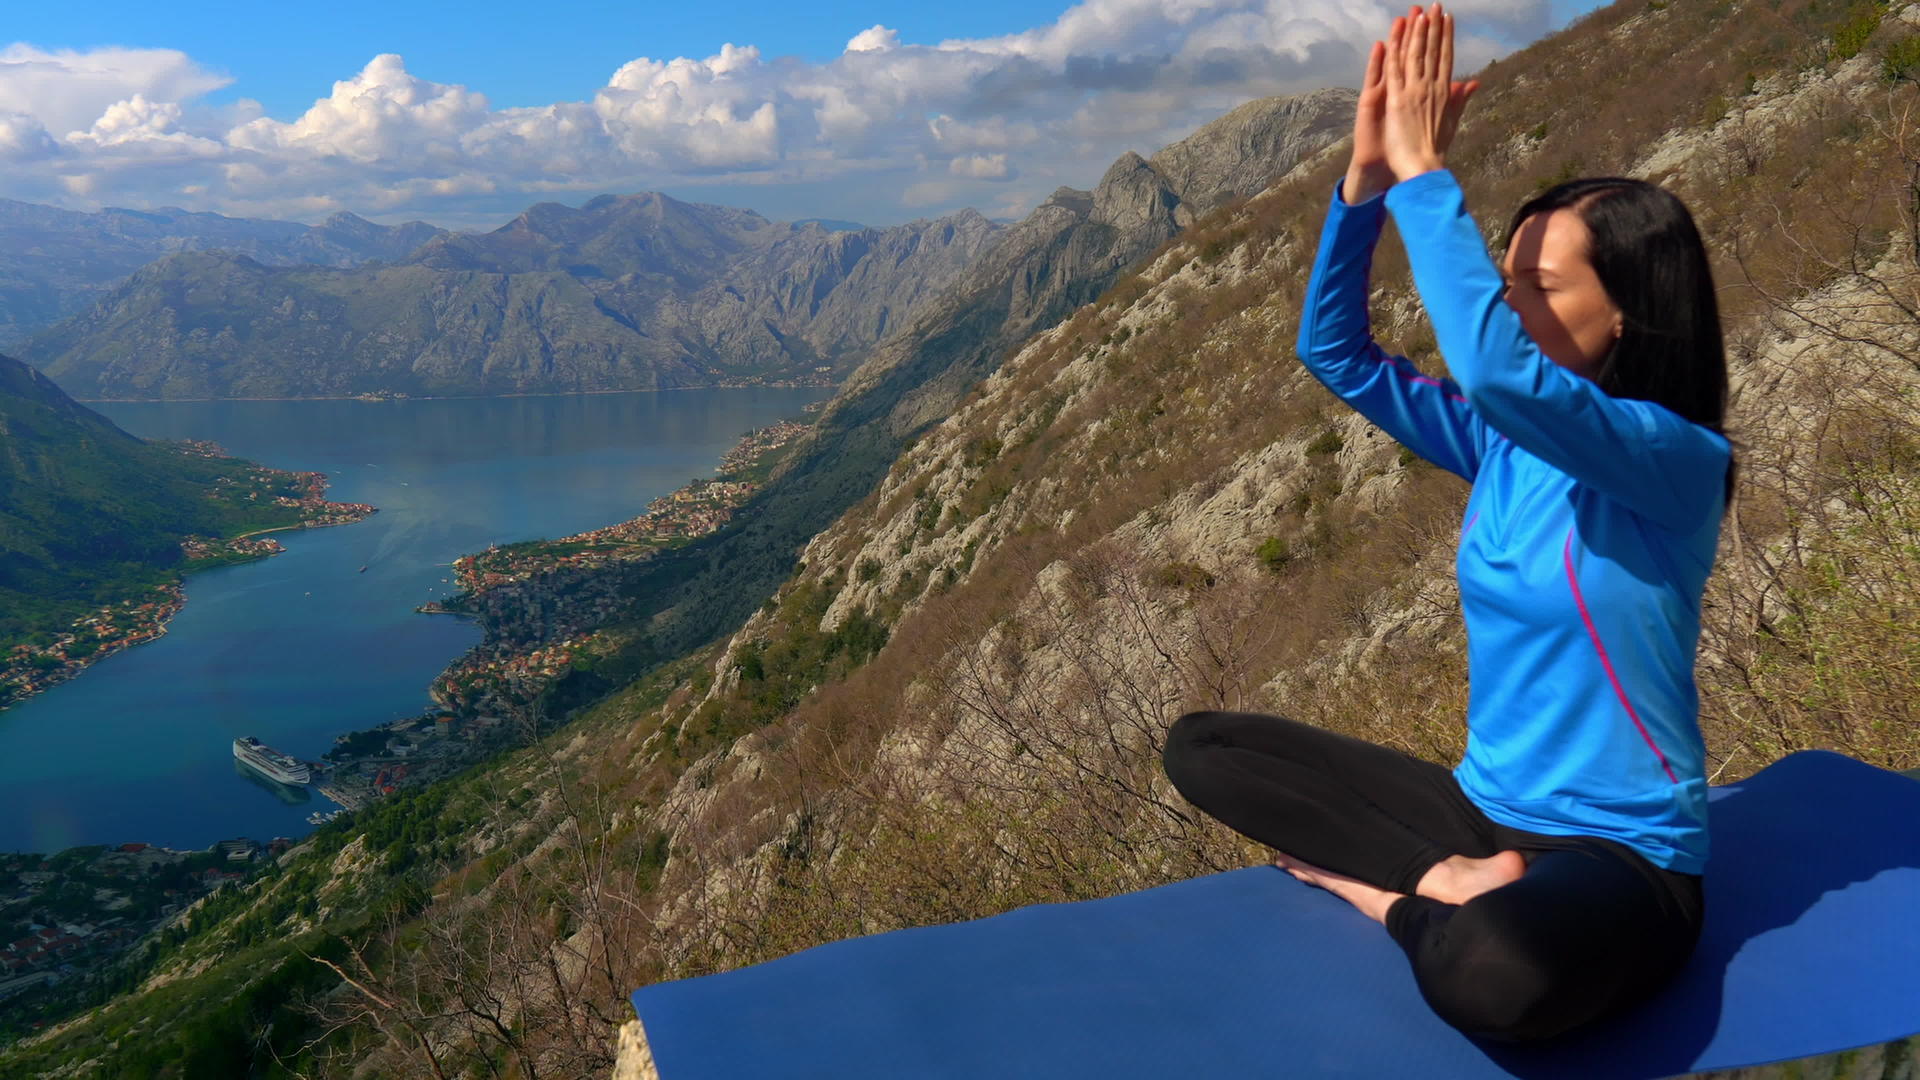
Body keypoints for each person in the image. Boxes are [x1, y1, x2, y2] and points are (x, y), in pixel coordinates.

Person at [1160, 3, 1735, 1043]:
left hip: (1620, 861)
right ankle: (1439, 876)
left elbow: (1494, 372)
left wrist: (1431, 174)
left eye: (1539, 285)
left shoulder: (1677, 462)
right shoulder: (1507, 444)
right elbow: (1336, 354)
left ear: (1630, 312)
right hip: (1474, 811)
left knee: (1497, 975)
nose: (1511, 303)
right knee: (1203, 746)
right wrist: (1367, 186)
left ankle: (1386, 898)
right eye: (1507, 281)